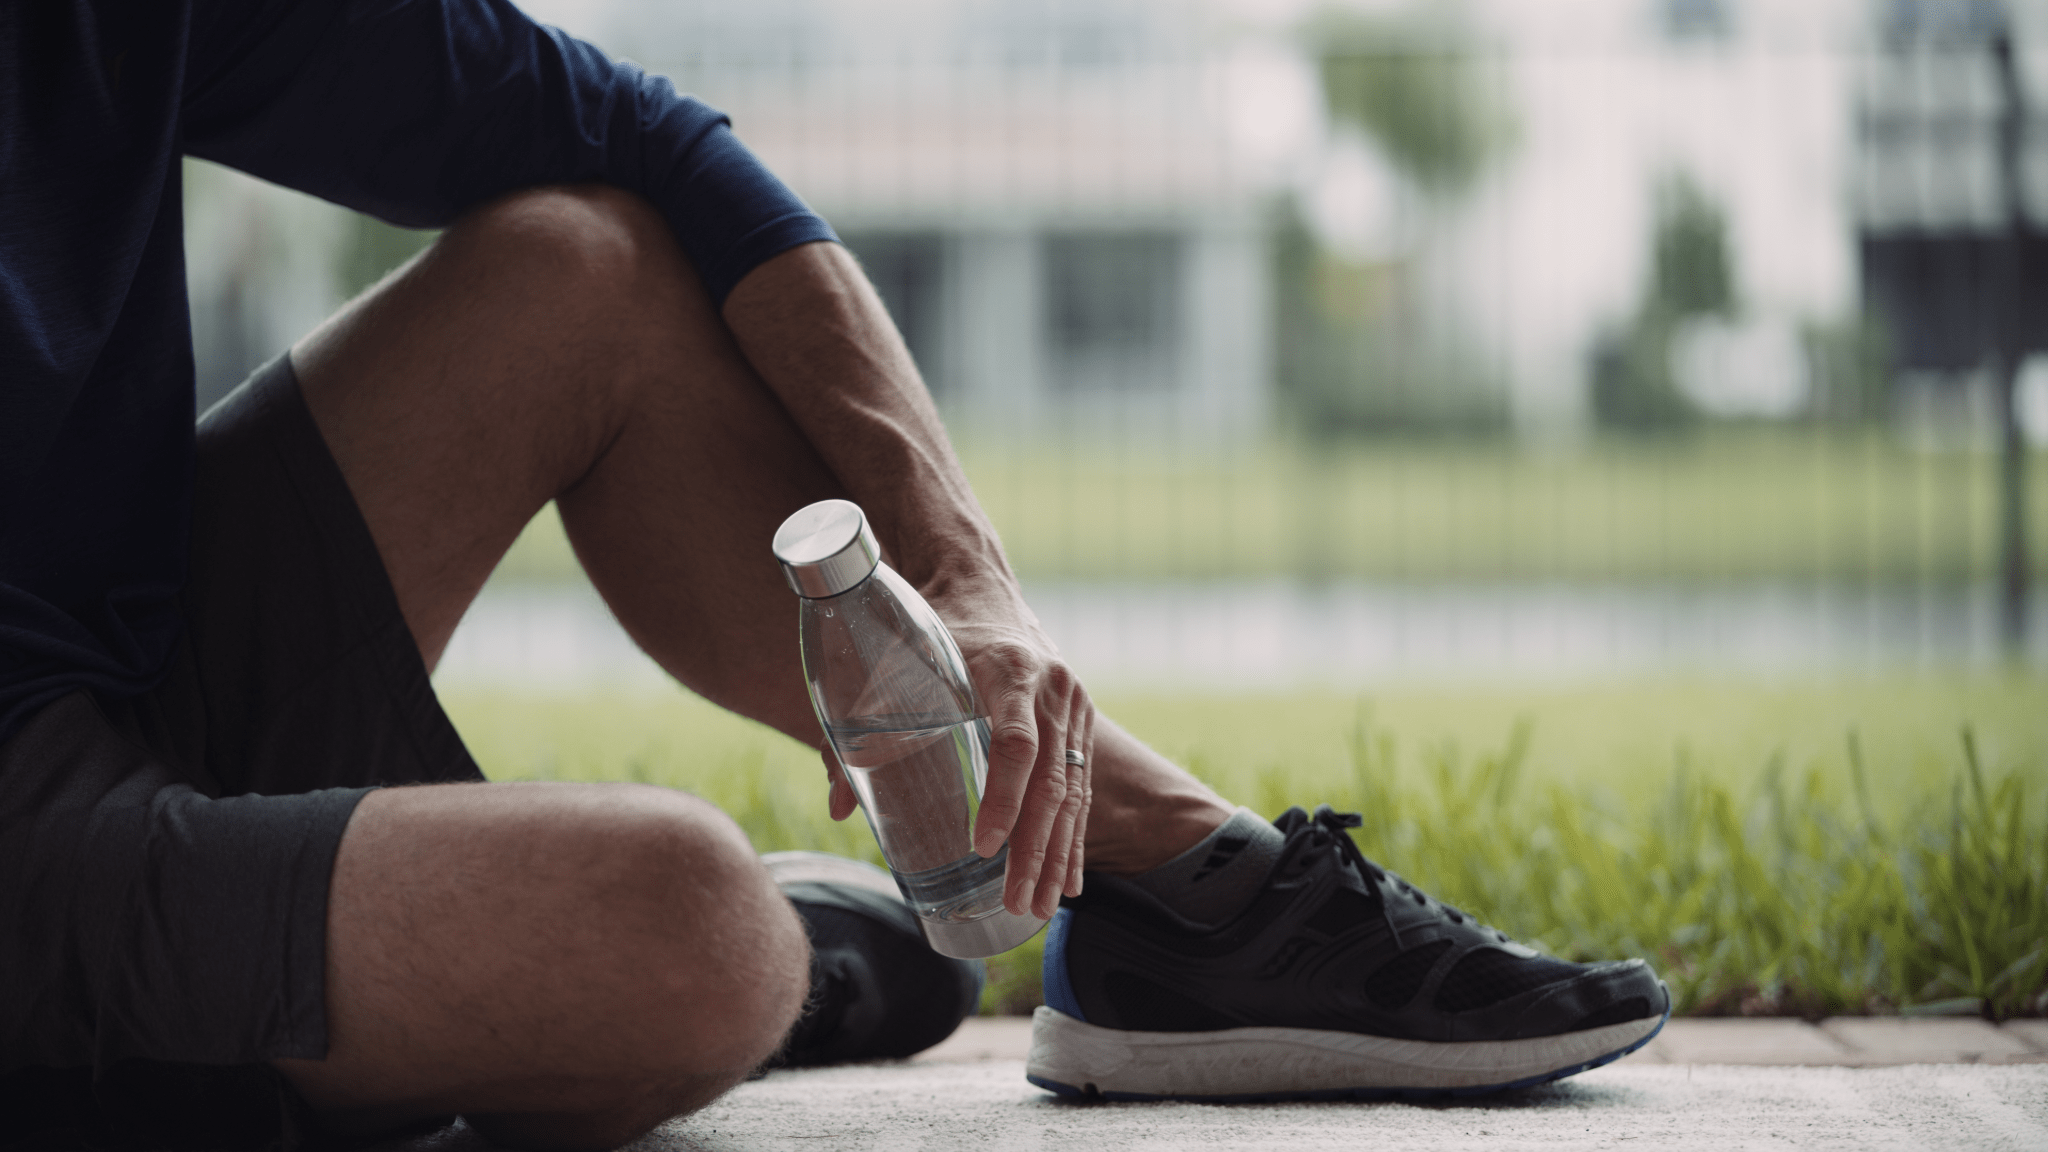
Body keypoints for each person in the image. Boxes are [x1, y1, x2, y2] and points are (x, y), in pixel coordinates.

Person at [0, 1, 1669, 1148]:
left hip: (121, 650)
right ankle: (569, 996)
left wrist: (973, 586)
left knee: (585, 265)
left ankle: (1181, 885)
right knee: (691, 925)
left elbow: (645, 139)